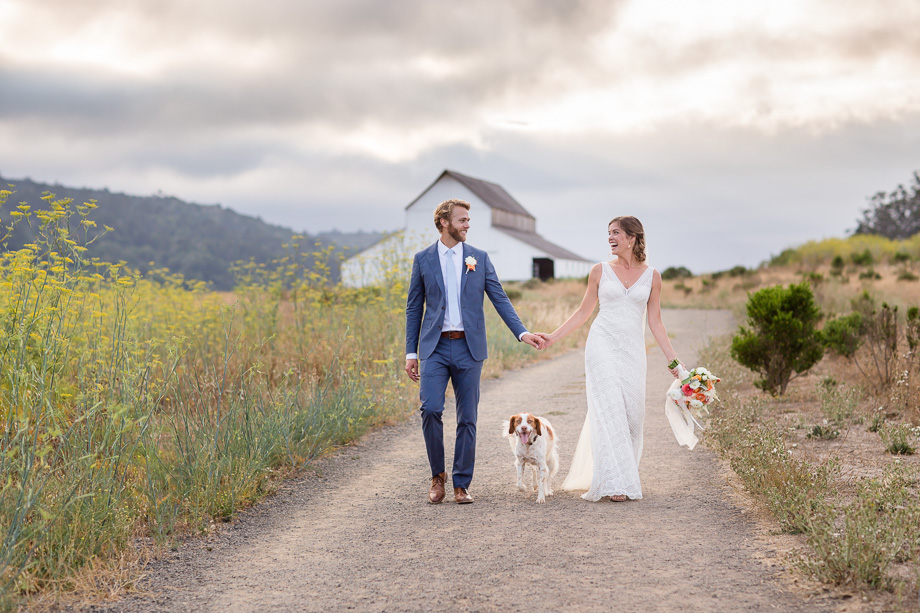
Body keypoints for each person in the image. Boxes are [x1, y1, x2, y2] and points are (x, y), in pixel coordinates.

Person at [405, 198, 544, 505]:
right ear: (444, 222)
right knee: (430, 410)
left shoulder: (478, 258)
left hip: (469, 348)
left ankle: (461, 484)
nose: (468, 225)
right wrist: (410, 353)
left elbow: (500, 298)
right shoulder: (423, 259)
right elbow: (414, 307)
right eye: (462, 220)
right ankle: (437, 478)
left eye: (468, 220)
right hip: (434, 347)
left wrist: (522, 332)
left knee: (468, 418)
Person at [535, 216, 680, 502]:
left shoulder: (653, 276)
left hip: (633, 351)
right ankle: (617, 482)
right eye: (609, 233)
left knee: (632, 416)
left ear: (632, 238)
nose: (610, 238)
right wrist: (552, 337)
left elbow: (656, 322)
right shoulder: (599, 271)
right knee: (609, 409)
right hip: (601, 345)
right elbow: (582, 313)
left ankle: (622, 472)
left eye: (616, 233)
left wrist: (674, 362)